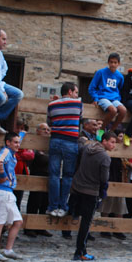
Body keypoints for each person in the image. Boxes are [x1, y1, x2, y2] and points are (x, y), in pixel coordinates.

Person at [69, 131, 116, 261]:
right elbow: (104, 178)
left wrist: (82, 140)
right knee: (86, 222)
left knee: (80, 218)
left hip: (77, 187)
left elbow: (80, 146)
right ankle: (80, 252)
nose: (113, 145)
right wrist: (102, 192)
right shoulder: (105, 157)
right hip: (91, 191)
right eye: (112, 142)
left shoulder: (87, 148)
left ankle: (81, 250)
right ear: (104, 141)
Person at [47, 82, 83, 218]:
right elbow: (80, 118)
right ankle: (63, 206)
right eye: (75, 92)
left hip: (55, 140)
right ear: (69, 92)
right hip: (70, 142)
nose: (77, 95)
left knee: (54, 175)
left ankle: (52, 206)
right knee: (68, 175)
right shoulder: (78, 103)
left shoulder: (51, 104)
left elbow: (49, 122)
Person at [0, 132, 24, 261]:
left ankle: (8, 249)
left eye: (19, 142)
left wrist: (22, 133)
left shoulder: (10, 152)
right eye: (15, 142)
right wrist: (3, 176)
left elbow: (16, 139)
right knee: (0, 222)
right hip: (3, 191)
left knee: (17, 221)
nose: (18, 145)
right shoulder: (6, 152)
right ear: (8, 142)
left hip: (7, 192)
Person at [25, 123, 52, 237]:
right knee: (34, 201)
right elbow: (37, 158)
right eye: (44, 129)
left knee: (45, 202)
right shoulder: (34, 142)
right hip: (37, 173)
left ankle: (40, 227)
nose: (46, 131)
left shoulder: (50, 144)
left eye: (48, 130)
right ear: (37, 131)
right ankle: (29, 227)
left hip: (48, 175)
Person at [100, 129, 128, 240]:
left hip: (119, 181)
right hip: (109, 179)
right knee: (106, 206)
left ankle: (117, 229)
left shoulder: (123, 150)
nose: (121, 139)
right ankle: (105, 228)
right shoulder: (108, 150)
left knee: (120, 207)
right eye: (119, 136)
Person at [88, 53, 125, 131]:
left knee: (123, 110)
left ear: (118, 64)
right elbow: (92, 87)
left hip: (114, 99)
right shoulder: (100, 72)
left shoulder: (120, 76)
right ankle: (102, 129)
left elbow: (120, 90)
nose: (113, 64)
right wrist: (95, 98)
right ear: (108, 62)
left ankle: (111, 130)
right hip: (103, 97)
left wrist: (118, 99)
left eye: (115, 62)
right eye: (111, 62)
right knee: (113, 110)